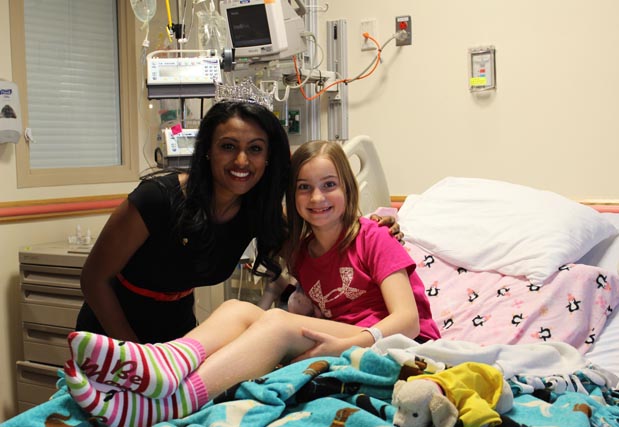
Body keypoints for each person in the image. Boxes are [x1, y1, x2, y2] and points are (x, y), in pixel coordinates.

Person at [64, 140, 440, 427]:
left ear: (348, 188)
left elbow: (408, 321)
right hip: (345, 338)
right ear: (292, 196)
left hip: (398, 344)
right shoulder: (301, 252)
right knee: (236, 309)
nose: (317, 197)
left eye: (329, 184)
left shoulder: (374, 237)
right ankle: (165, 364)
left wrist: (343, 344)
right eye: (303, 187)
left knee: (276, 322)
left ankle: (169, 404)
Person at [75, 100, 402, 344]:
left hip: (176, 329)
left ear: (268, 157)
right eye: (228, 147)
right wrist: (132, 353)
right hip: (113, 327)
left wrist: (371, 229)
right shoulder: (157, 199)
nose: (242, 160)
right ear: (208, 150)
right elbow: (93, 278)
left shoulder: (256, 210)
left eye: (255, 149)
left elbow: (318, 234)